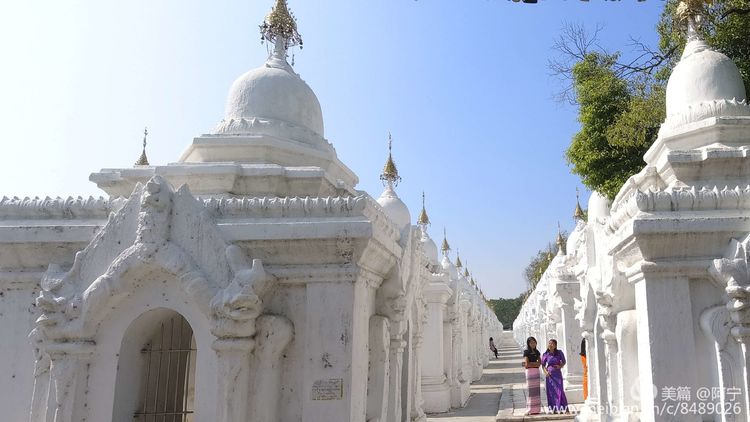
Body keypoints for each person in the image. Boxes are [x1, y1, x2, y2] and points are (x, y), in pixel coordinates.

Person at [541, 339, 569, 414]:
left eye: (552, 344)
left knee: (560, 391)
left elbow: (564, 361)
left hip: (557, 374)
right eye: (549, 343)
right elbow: (543, 365)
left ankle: (566, 409)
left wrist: (560, 366)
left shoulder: (559, 352)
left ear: (555, 345)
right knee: (551, 392)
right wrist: (546, 372)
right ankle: (554, 409)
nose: (550, 345)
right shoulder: (546, 354)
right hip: (549, 375)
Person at [522, 336, 542, 415]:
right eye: (531, 343)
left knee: (536, 391)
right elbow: (527, 364)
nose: (533, 344)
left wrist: (533, 364)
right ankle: (530, 409)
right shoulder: (526, 352)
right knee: (530, 391)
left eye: (534, 342)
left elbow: (539, 363)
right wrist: (535, 364)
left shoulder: (537, 352)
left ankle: (536, 409)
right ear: (528, 344)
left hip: (536, 372)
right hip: (530, 372)